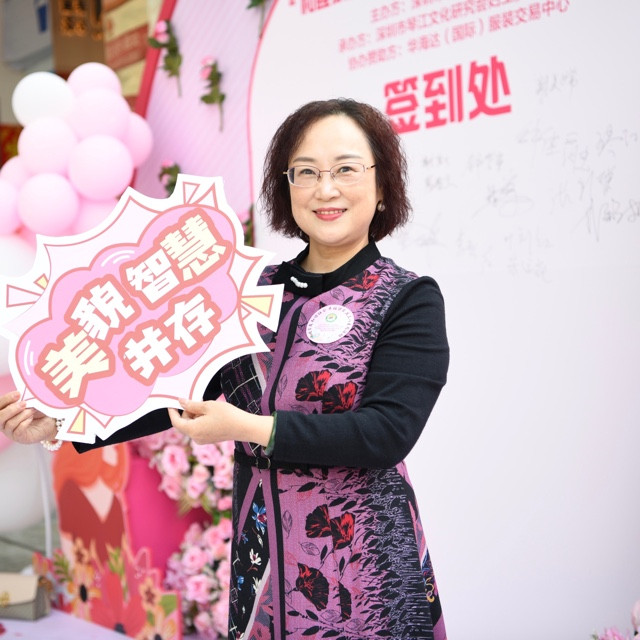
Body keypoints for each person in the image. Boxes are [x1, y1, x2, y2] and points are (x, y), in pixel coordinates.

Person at [0, 98, 450, 639]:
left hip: (362, 564)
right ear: (286, 186)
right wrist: (63, 419)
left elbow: (385, 433)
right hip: (263, 563)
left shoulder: (407, 298)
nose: (325, 188)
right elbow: (174, 391)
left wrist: (247, 427)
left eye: (346, 169)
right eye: (306, 172)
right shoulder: (248, 290)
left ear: (381, 185)